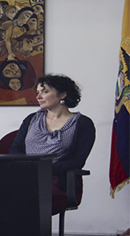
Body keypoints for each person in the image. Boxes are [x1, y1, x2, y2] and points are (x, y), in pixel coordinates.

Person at [10, 74, 96, 215]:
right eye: (38, 92)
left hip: (56, 178)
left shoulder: (82, 124)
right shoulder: (31, 119)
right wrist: (27, 167)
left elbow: (78, 160)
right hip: (26, 175)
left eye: (45, 92)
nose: (38, 97)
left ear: (62, 94)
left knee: (24, 195)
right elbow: (16, 149)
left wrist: (45, 169)